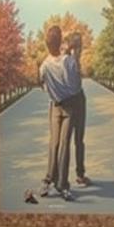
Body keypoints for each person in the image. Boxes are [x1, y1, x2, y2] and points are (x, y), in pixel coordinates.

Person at [38, 24, 83, 201]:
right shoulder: (68, 61)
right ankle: (62, 185)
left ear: (47, 44)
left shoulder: (45, 65)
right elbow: (75, 87)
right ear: (60, 42)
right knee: (64, 144)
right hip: (70, 105)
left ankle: (49, 179)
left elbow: (42, 84)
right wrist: (72, 57)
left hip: (55, 106)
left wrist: (53, 89)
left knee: (54, 143)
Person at [65, 32, 90, 187]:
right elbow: (75, 85)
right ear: (77, 46)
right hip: (77, 101)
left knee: (67, 141)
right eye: (80, 45)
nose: (81, 48)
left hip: (68, 102)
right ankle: (80, 175)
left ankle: (64, 178)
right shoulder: (73, 60)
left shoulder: (65, 59)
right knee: (78, 140)